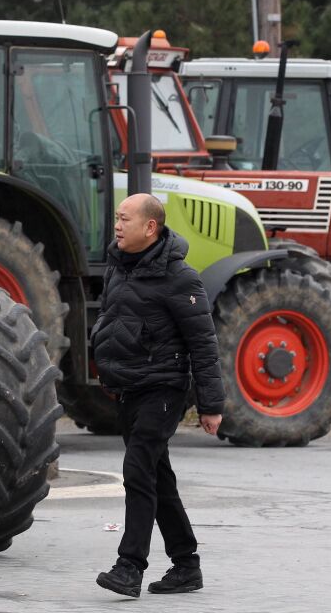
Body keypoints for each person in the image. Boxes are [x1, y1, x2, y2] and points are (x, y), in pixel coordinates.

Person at [92, 193, 225, 598]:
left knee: (137, 471)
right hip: (129, 388)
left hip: (163, 389)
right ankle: (186, 565)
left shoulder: (180, 278)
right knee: (158, 479)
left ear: (150, 227)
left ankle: (129, 566)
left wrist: (211, 405)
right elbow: (109, 318)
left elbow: (203, 344)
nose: (117, 226)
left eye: (125, 219)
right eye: (116, 218)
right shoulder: (118, 267)